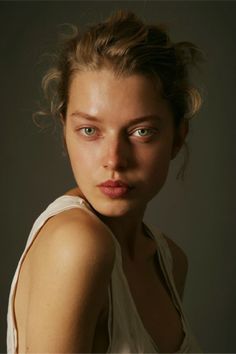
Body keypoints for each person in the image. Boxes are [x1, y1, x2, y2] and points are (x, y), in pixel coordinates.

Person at [7, 9, 204, 353]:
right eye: (89, 131)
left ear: (177, 138)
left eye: (141, 132)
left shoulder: (170, 260)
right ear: (64, 130)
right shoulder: (76, 245)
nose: (113, 159)